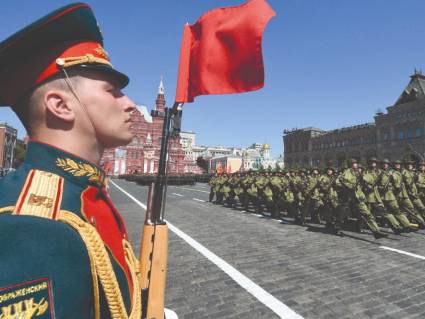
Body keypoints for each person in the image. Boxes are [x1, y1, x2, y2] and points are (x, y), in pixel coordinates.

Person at [0, 4, 142, 318]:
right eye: (113, 91)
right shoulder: (33, 226)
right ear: (61, 106)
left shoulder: (83, 191)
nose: (131, 104)